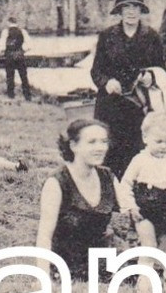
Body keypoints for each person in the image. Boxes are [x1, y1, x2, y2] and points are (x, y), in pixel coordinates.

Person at [37, 119, 135, 282]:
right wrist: (42, 276)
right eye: (92, 142)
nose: (100, 148)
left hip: (104, 258)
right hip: (68, 263)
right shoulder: (57, 182)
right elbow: (44, 235)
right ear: (73, 145)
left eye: (104, 142)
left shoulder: (108, 177)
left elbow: (131, 213)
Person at [90, 0, 165, 177]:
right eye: (126, 7)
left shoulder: (152, 37)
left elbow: (161, 69)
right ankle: (108, 198)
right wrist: (106, 83)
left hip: (139, 107)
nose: (131, 11)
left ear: (141, 11)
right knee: (109, 153)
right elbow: (96, 71)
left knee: (138, 153)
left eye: (135, 7)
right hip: (111, 107)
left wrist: (152, 77)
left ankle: (135, 198)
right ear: (120, 11)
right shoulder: (107, 36)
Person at [122, 113, 166, 256]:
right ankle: (145, 272)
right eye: (159, 141)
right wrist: (131, 206)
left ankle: (159, 270)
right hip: (145, 210)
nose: (163, 146)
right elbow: (125, 184)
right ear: (145, 138)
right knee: (149, 244)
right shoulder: (140, 160)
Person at [0, 14, 33, 100]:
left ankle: (11, 95)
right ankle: (27, 95)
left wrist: (0, 51)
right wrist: (23, 50)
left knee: (10, 76)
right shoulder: (22, 31)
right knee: (23, 76)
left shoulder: (5, 32)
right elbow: (30, 45)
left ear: (8, 23)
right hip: (20, 55)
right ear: (16, 23)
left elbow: (1, 45)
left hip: (9, 55)